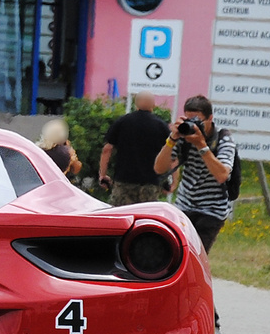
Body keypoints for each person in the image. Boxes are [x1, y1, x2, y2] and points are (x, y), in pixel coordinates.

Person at [153, 95, 237, 253]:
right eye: (188, 120)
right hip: (184, 205)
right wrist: (172, 139)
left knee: (196, 256)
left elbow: (222, 175)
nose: (193, 126)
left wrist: (201, 146)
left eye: (197, 121)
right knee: (172, 253)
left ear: (210, 118)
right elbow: (159, 168)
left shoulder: (223, 139)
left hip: (212, 211)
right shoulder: (184, 138)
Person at [99, 91, 170, 205]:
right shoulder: (161, 126)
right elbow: (171, 153)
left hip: (124, 179)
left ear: (136, 104)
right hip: (150, 182)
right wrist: (171, 181)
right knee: (146, 217)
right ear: (153, 104)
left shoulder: (122, 122)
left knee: (121, 215)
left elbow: (107, 149)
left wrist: (103, 174)